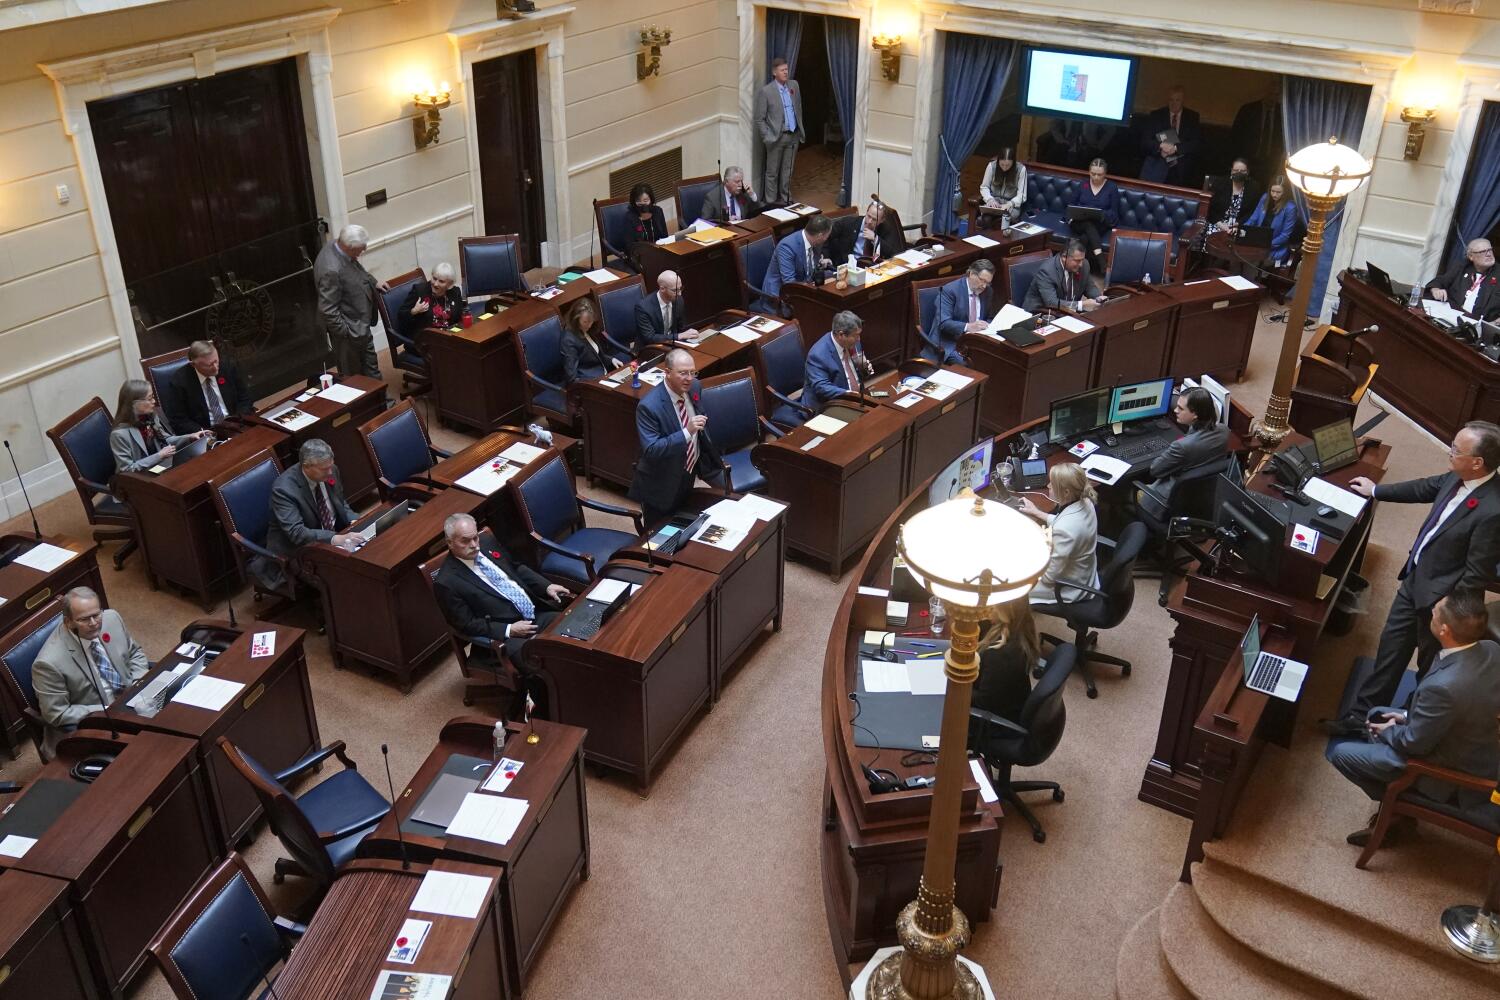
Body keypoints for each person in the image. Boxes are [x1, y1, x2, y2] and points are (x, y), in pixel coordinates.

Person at [1323, 421, 1500, 733]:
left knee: (1429, 671)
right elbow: (1425, 487)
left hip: (1442, 605)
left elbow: (1476, 575)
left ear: (1477, 463)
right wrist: (1375, 490)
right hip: (1416, 581)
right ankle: (1360, 719)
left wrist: (1446, 612)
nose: (1449, 452)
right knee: (1389, 654)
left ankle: (1408, 727)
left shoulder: (1493, 510)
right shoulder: (1458, 476)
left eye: (1456, 449)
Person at [1326, 590, 1500, 846]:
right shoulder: (1491, 649)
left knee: (1341, 753)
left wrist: (1388, 730)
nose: (1432, 611)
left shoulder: (1444, 687)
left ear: (1444, 630)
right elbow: (1457, 708)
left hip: (1446, 770)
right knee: (1376, 714)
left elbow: (1413, 744)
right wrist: (1405, 716)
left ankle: (1397, 809)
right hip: (1470, 742)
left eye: (1435, 611)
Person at [432, 513, 571, 719]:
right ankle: (550, 717)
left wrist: (546, 586)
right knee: (542, 668)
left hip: (534, 613)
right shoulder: (446, 582)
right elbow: (466, 624)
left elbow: (516, 568)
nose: (474, 545)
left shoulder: (487, 543)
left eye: (475, 537)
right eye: (465, 541)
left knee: (572, 630)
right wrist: (509, 630)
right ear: (450, 543)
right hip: (505, 637)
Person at [32, 586, 149, 758]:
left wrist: (138, 686)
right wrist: (106, 711)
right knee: (148, 753)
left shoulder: (112, 619)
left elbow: (134, 653)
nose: (94, 623)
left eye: (96, 614)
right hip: (94, 725)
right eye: (84, 619)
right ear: (68, 622)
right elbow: (57, 714)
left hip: (132, 701)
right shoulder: (48, 663)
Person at [628, 348, 724, 525]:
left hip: (688, 470)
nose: (689, 378)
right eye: (683, 373)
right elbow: (652, 449)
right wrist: (687, 432)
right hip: (661, 481)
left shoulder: (694, 386)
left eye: (692, 372)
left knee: (682, 522)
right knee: (657, 531)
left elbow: (700, 415)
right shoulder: (649, 406)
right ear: (667, 373)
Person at [260, 438, 360, 592]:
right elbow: (297, 533)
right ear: (306, 466)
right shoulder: (284, 490)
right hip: (299, 551)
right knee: (348, 576)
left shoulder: (330, 470)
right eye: (324, 469)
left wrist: (356, 521)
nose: (330, 472)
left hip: (332, 537)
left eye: (330, 466)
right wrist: (336, 538)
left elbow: (340, 503)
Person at [313, 223, 387, 380]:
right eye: (361, 248)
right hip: (349, 333)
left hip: (359, 325)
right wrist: (346, 333)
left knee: (371, 368)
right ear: (348, 247)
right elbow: (328, 309)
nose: (364, 249)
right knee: (354, 378)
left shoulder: (338, 245)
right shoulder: (331, 270)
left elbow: (356, 269)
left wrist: (373, 282)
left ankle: (381, 395)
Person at [1021, 463, 1099, 606]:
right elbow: (1064, 521)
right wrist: (1037, 512)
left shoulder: (1065, 530)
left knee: (1012, 586)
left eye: (1052, 484)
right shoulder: (1086, 500)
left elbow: (1049, 577)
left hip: (1067, 587)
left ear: (1066, 492)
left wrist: (1028, 563)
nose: (1048, 486)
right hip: (1084, 572)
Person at [109, 379, 210, 475]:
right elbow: (127, 470)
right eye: (149, 399)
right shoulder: (119, 434)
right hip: (140, 478)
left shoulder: (150, 418)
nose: (154, 401)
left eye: (153, 397)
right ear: (134, 404)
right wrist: (159, 455)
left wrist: (190, 437)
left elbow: (165, 440)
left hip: (159, 468)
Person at [1141, 386, 1229, 495]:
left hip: (1171, 495)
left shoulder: (1181, 446)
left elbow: (1155, 470)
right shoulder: (1224, 431)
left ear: (1195, 414)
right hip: (1204, 492)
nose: (1175, 410)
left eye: (1180, 408)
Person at [970, 601, 1041, 729]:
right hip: (1007, 701)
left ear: (1005, 612)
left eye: (992, 605)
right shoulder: (1018, 628)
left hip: (992, 722)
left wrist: (954, 687)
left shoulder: (1001, 655)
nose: (986, 608)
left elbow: (984, 702)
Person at [160, 340, 253, 434]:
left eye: (216, 361)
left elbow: (245, 398)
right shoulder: (179, 382)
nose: (215, 368)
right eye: (209, 365)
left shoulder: (227, 367)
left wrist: (240, 420)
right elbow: (178, 420)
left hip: (237, 425)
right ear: (193, 365)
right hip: (206, 433)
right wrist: (203, 432)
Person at [755, 57, 805, 205]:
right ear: (774, 72)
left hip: (793, 135)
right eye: (782, 70)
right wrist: (767, 137)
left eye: (786, 69)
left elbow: (798, 107)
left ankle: (786, 199)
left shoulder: (794, 85)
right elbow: (759, 118)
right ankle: (770, 203)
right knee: (772, 172)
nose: (785, 72)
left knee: (787, 171)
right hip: (776, 138)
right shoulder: (766, 91)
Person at [759, 214, 832, 315]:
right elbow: (789, 284)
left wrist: (819, 264)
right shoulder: (787, 247)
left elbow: (808, 267)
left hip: (804, 289)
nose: (827, 239)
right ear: (819, 236)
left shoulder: (815, 241)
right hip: (779, 299)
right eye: (827, 236)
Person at [928, 259, 996, 365]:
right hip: (951, 342)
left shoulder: (988, 291)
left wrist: (989, 326)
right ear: (971, 274)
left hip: (976, 340)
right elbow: (943, 323)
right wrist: (968, 327)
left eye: (987, 282)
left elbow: (989, 317)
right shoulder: (949, 291)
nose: (984, 286)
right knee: (970, 363)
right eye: (982, 280)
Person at [804, 310, 873, 410]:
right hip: (830, 404)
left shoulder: (854, 343)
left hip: (858, 398)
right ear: (841, 335)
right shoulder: (818, 354)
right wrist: (849, 394)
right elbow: (822, 387)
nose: (859, 339)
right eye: (855, 335)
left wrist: (864, 369)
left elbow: (858, 373)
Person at [1424, 239, 1500, 321]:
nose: (1488, 254)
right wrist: (1435, 289)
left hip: (1481, 324)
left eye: (1489, 250)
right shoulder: (1462, 267)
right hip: (1451, 316)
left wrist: (1496, 322)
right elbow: (1440, 281)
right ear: (1471, 257)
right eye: (1482, 252)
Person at [1022, 239, 1106, 314]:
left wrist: (1098, 298)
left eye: (1082, 260)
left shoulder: (1084, 265)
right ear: (1064, 257)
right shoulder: (1047, 271)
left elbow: (1090, 287)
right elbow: (1051, 302)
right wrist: (1081, 305)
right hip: (1041, 312)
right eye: (1077, 261)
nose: (1081, 264)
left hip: (1067, 312)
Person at [1067, 159, 1118, 273]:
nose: (1095, 177)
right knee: (1087, 224)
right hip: (1080, 222)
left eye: (1099, 175)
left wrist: (1101, 214)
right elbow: (1071, 204)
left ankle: (1078, 269)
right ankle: (1102, 262)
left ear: (1105, 174)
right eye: (1093, 174)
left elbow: (1114, 212)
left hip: (1099, 223)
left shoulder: (1112, 187)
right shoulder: (1083, 184)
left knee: (1085, 237)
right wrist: (1072, 216)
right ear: (1089, 172)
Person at [561, 298, 625, 384]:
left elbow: (596, 354)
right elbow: (572, 378)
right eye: (585, 322)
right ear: (576, 319)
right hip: (591, 382)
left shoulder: (588, 329)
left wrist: (611, 360)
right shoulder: (568, 340)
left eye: (591, 321)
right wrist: (595, 384)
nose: (589, 325)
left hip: (604, 374)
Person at [1140, 85, 1201, 174]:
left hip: (1183, 168)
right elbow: (1145, 141)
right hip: (1158, 166)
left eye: (1177, 100)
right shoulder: (1156, 115)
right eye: (1171, 100)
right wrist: (1160, 146)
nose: (1174, 103)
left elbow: (1196, 143)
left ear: (1183, 101)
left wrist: (1175, 148)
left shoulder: (1192, 117)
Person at [400, 261, 467, 340]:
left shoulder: (455, 292)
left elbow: (460, 316)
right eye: (434, 278)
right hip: (425, 340)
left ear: (449, 284)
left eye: (441, 281)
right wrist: (414, 311)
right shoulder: (419, 291)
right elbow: (401, 315)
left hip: (449, 336)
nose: (435, 284)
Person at [1242, 175, 1298, 266]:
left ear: (1285, 192)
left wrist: (1266, 245)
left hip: (1274, 247)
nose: (1274, 195)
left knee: (1251, 264)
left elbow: (1285, 235)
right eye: (1272, 191)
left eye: (1278, 192)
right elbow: (1253, 219)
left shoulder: (1291, 208)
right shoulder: (1265, 198)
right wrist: (1242, 230)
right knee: (1238, 255)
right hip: (1257, 241)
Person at [827, 199, 905, 264]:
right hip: (848, 265)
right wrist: (826, 257)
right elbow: (826, 237)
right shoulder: (848, 223)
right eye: (869, 216)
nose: (870, 221)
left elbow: (894, 253)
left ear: (882, 220)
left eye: (874, 219)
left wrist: (876, 239)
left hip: (871, 267)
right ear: (866, 212)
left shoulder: (885, 229)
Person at [634, 269, 692, 351]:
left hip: (672, 345)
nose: (679, 293)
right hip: (650, 349)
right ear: (662, 289)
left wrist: (689, 335)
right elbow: (650, 338)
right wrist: (678, 336)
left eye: (680, 288)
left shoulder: (678, 300)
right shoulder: (643, 307)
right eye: (675, 290)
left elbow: (681, 328)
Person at [1206, 157, 1261, 234]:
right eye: (1236, 170)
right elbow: (1210, 208)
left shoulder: (1254, 188)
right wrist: (1221, 225)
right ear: (1231, 171)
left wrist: (1238, 224)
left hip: (1239, 226)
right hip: (1217, 223)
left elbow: (1252, 212)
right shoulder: (1220, 183)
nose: (1239, 173)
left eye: (1242, 171)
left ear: (1248, 172)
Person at [979, 148, 1028, 226]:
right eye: (1002, 164)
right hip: (994, 202)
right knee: (986, 218)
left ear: (1013, 162)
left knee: (1004, 219)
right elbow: (984, 187)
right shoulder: (991, 166)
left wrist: (1010, 204)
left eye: (1008, 165)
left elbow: (1022, 195)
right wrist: (990, 199)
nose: (1004, 168)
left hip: (1011, 205)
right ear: (998, 161)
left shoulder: (1021, 169)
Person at [624, 183, 669, 267]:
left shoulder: (658, 211)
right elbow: (630, 246)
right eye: (639, 201)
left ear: (651, 200)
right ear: (633, 202)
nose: (642, 204)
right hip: (640, 257)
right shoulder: (630, 217)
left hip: (659, 252)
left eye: (645, 201)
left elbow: (665, 236)